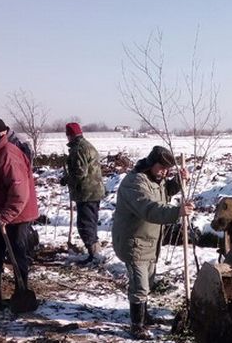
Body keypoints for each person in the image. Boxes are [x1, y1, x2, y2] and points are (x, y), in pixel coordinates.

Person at [112, 146, 194, 340]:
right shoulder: (134, 183)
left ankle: (145, 316)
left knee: (147, 282)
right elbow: (149, 208)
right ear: (151, 163)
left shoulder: (157, 179)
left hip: (150, 241)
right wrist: (176, 212)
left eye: (168, 169)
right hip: (133, 241)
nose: (165, 172)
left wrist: (179, 181)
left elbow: (164, 193)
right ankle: (136, 325)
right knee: (139, 286)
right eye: (162, 167)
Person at [0, 121, 39, 308]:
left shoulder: (9, 156)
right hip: (1, 214)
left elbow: (20, 193)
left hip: (17, 216)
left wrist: (6, 216)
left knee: (17, 256)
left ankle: (21, 293)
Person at [61, 122, 105, 263]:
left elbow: (80, 172)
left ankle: (95, 256)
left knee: (85, 224)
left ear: (69, 135)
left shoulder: (78, 149)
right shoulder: (87, 146)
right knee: (90, 223)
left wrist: (67, 179)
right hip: (93, 190)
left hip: (87, 193)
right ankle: (95, 253)